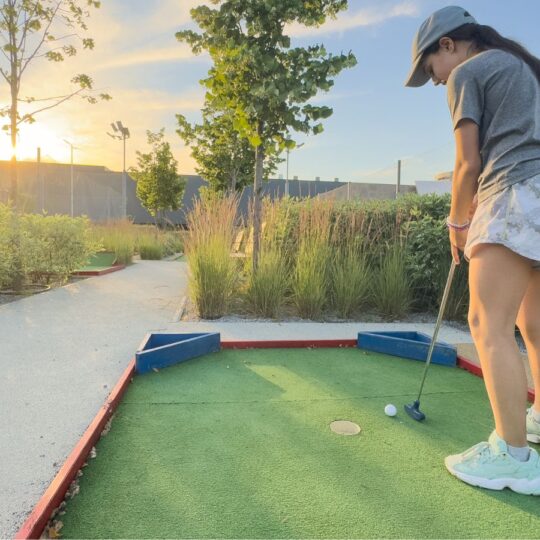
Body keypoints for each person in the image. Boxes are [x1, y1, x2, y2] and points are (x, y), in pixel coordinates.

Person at [405, 5, 540, 495]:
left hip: (512, 194)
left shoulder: (469, 71)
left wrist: (458, 222)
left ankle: (513, 456)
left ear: (449, 45)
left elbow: (467, 163)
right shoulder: (522, 64)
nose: (435, 81)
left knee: (488, 324)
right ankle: (536, 421)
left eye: (429, 69)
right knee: (533, 324)